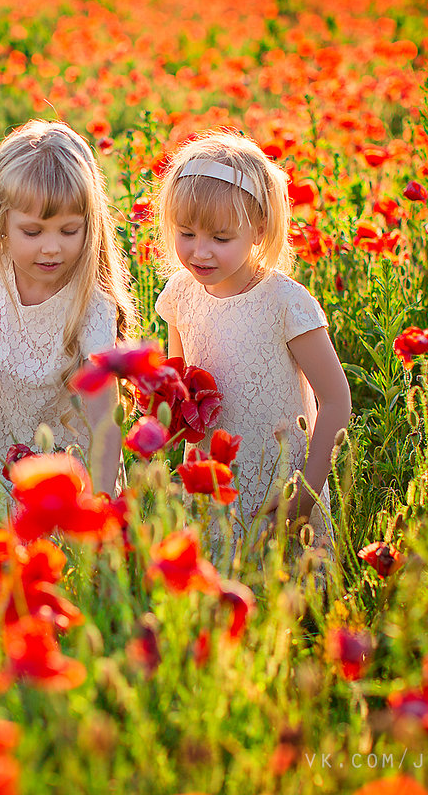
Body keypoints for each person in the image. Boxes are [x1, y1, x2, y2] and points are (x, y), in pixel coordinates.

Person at [153, 130, 351, 559]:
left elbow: (336, 399)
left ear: (259, 230)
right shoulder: (181, 294)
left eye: (220, 239)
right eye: (186, 233)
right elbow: (179, 390)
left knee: (284, 604)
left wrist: (306, 494)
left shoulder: (285, 302)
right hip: (210, 476)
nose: (199, 252)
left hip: (280, 484)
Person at [0, 120, 138, 506]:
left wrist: (102, 502)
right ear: (0, 223)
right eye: (34, 232)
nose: (52, 248)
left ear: (89, 226)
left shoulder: (90, 304)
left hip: (65, 465)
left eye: (69, 231)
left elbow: (104, 419)